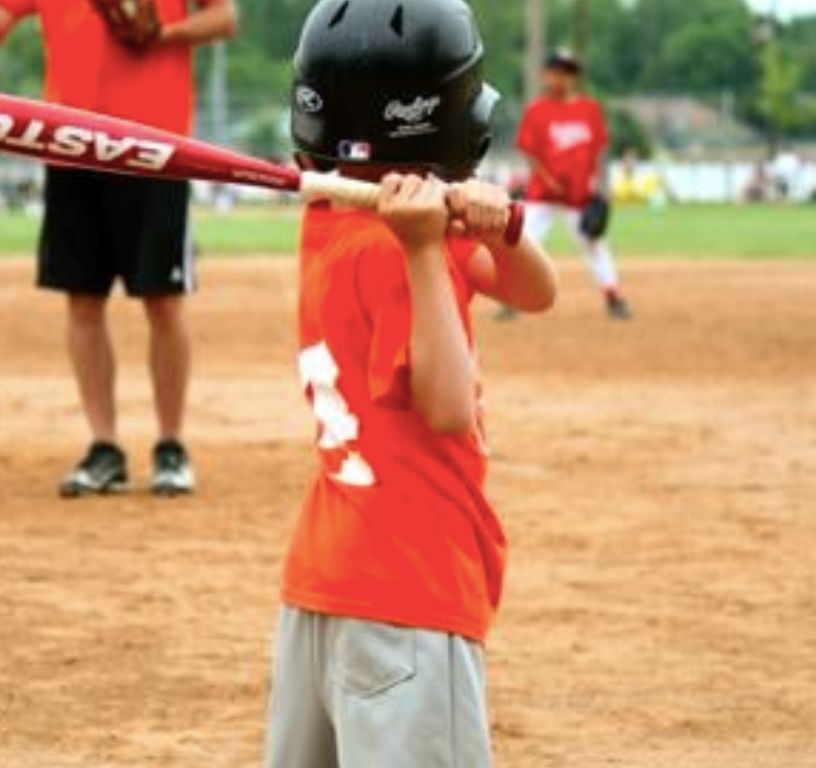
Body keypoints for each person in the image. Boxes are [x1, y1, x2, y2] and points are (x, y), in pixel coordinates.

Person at [263, 1, 557, 766]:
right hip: (409, 595)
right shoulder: (399, 251)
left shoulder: (334, 218)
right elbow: (448, 406)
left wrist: (499, 228)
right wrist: (428, 252)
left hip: (324, 588)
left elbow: (535, 292)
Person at [0, 0, 238, 497]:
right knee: (83, 299)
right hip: (69, 141)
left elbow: (225, 18)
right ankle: (104, 447)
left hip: (154, 145)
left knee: (163, 300)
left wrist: (163, 34)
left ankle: (171, 446)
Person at [512, 48, 632, 321]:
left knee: (594, 245)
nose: (563, 78)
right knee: (524, 244)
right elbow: (528, 151)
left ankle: (613, 296)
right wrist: (546, 178)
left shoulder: (589, 109)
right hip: (542, 194)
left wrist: (601, 184)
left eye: (569, 72)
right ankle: (512, 299)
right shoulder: (537, 111)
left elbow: (599, 149)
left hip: (578, 195)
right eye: (558, 71)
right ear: (545, 75)